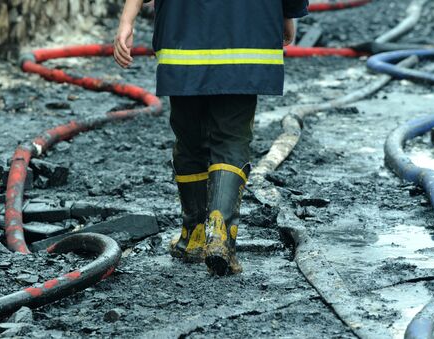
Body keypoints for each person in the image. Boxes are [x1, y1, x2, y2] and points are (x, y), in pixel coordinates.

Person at [114, 0, 309, 276]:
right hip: (246, 40)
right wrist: (288, 13)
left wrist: (126, 22)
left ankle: (194, 236)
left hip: (184, 40)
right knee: (231, 139)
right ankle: (220, 235)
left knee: (190, 139)